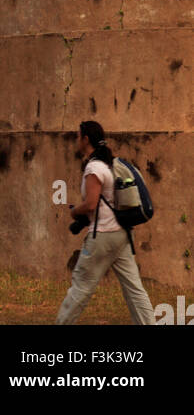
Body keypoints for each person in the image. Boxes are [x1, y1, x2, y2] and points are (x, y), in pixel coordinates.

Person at [55, 120, 155, 325]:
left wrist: (75, 212)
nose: (76, 140)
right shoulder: (109, 164)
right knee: (135, 290)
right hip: (122, 234)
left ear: (85, 139)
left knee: (81, 286)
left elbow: (91, 204)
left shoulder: (94, 167)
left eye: (77, 136)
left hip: (102, 236)